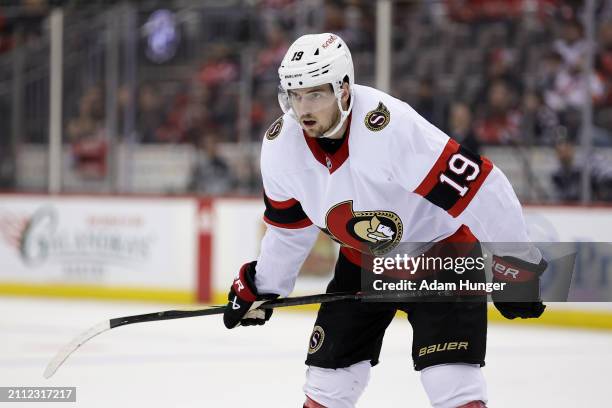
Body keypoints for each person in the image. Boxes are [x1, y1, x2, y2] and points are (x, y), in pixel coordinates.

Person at [223, 33, 547, 408]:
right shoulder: (281, 146)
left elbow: (483, 188)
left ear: (343, 90)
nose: (303, 109)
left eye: (315, 94)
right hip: (363, 263)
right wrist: (263, 285)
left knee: (451, 384)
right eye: (295, 96)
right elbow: (288, 229)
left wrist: (517, 265)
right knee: (328, 384)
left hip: (441, 258)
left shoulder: (390, 128)